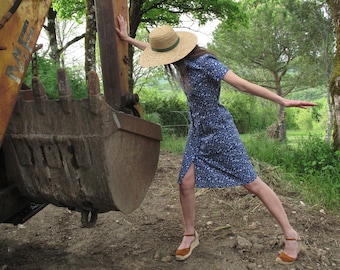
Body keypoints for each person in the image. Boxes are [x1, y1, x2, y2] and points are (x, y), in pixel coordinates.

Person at [115, 14, 316, 265]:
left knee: (251, 183)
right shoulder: (179, 61)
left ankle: (291, 235)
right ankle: (190, 234)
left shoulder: (206, 62)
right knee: (185, 183)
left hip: (220, 130)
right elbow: (153, 49)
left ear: (176, 50)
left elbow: (242, 85)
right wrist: (127, 38)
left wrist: (282, 100)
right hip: (198, 131)